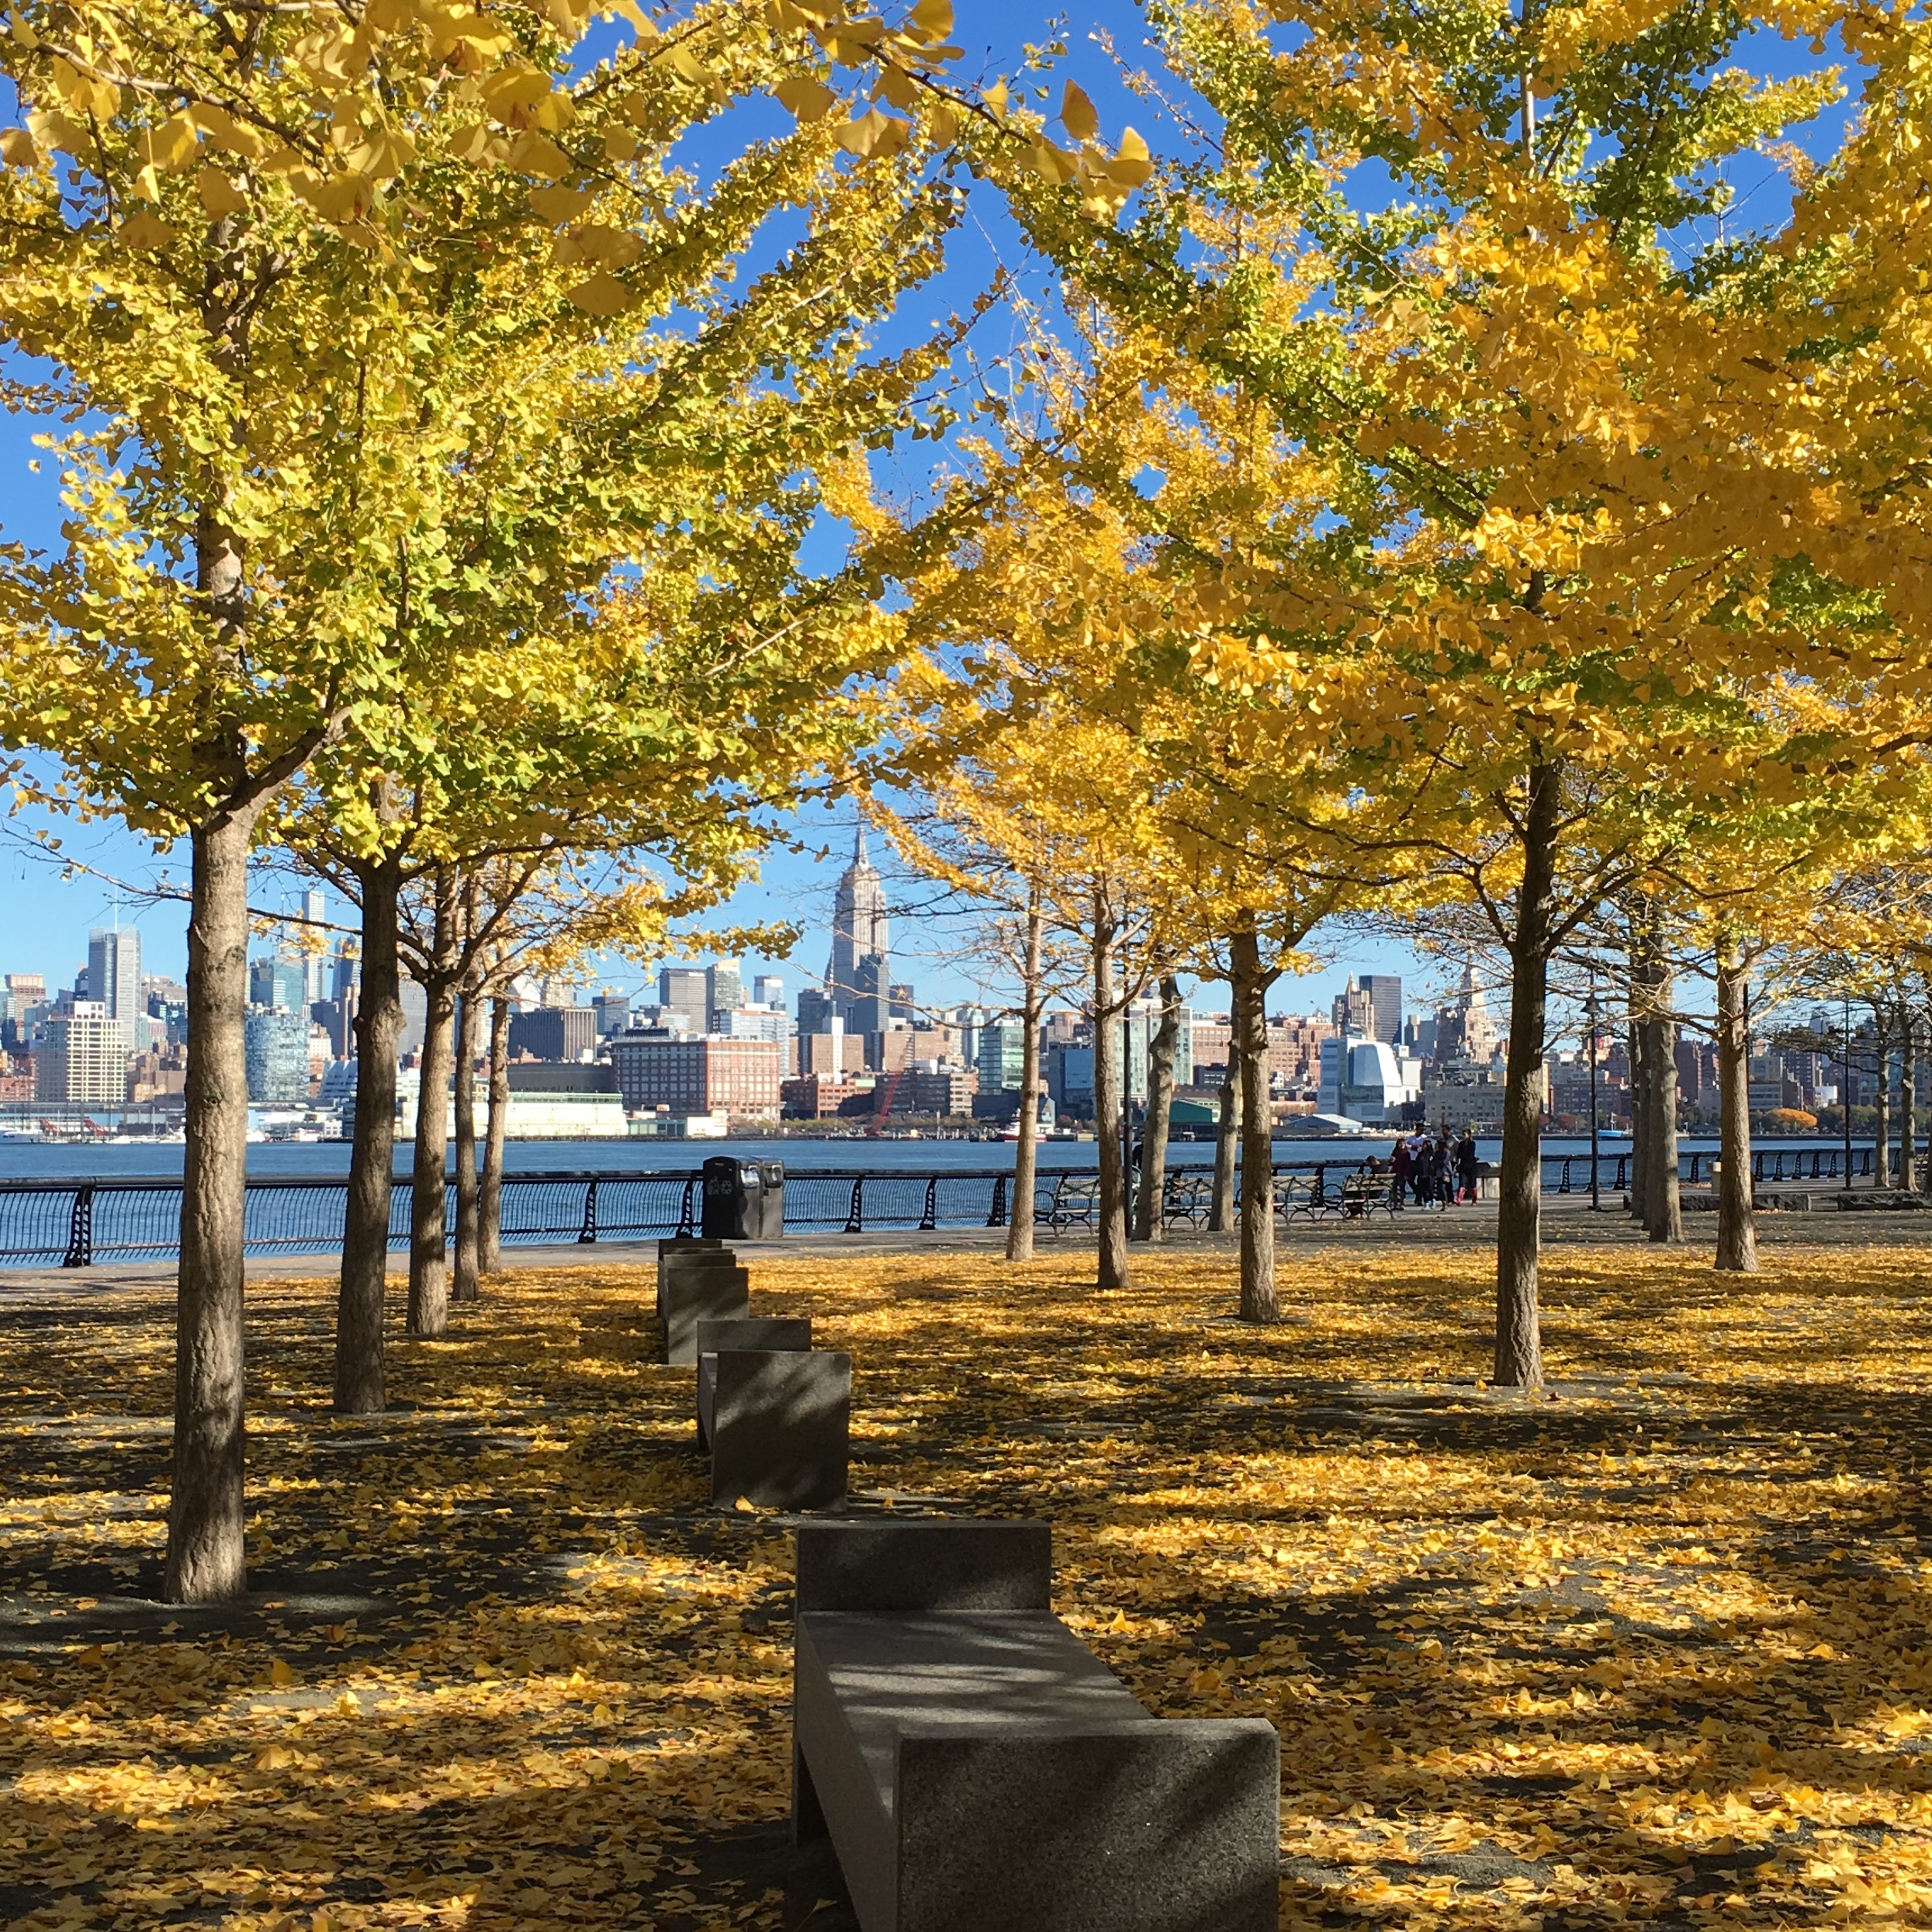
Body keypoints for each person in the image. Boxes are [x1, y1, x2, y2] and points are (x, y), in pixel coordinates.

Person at [1456, 1130, 1480, 1203]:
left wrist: (1465, 1155)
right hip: (1463, 1165)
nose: (1463, 1136)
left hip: (1471, 1166)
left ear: (1469, 1135)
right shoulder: (1461, 1144)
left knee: (1473, 1184)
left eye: (1464, 1134)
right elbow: (1459, 1154)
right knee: (1462, 1183)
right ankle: (1459, 1199)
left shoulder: (1472, 1143)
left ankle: (1474, 1200)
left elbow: (1471, 1154)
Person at [1390, 1134, 1411, 1207]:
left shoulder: (1406, 1153)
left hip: (1402, 1172)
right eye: (1400, 1143)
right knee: (1394, 1188)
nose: (1402, 1145)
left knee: (1402, 1188)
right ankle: (1395, 1202)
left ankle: (1402, 1201)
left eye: (1403, 1143)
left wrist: (1407, 1174)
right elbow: (1392, 1162)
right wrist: (1392, 1161)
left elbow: (1408, 1165)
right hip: (1395, 1172)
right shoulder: (1395, 1152)